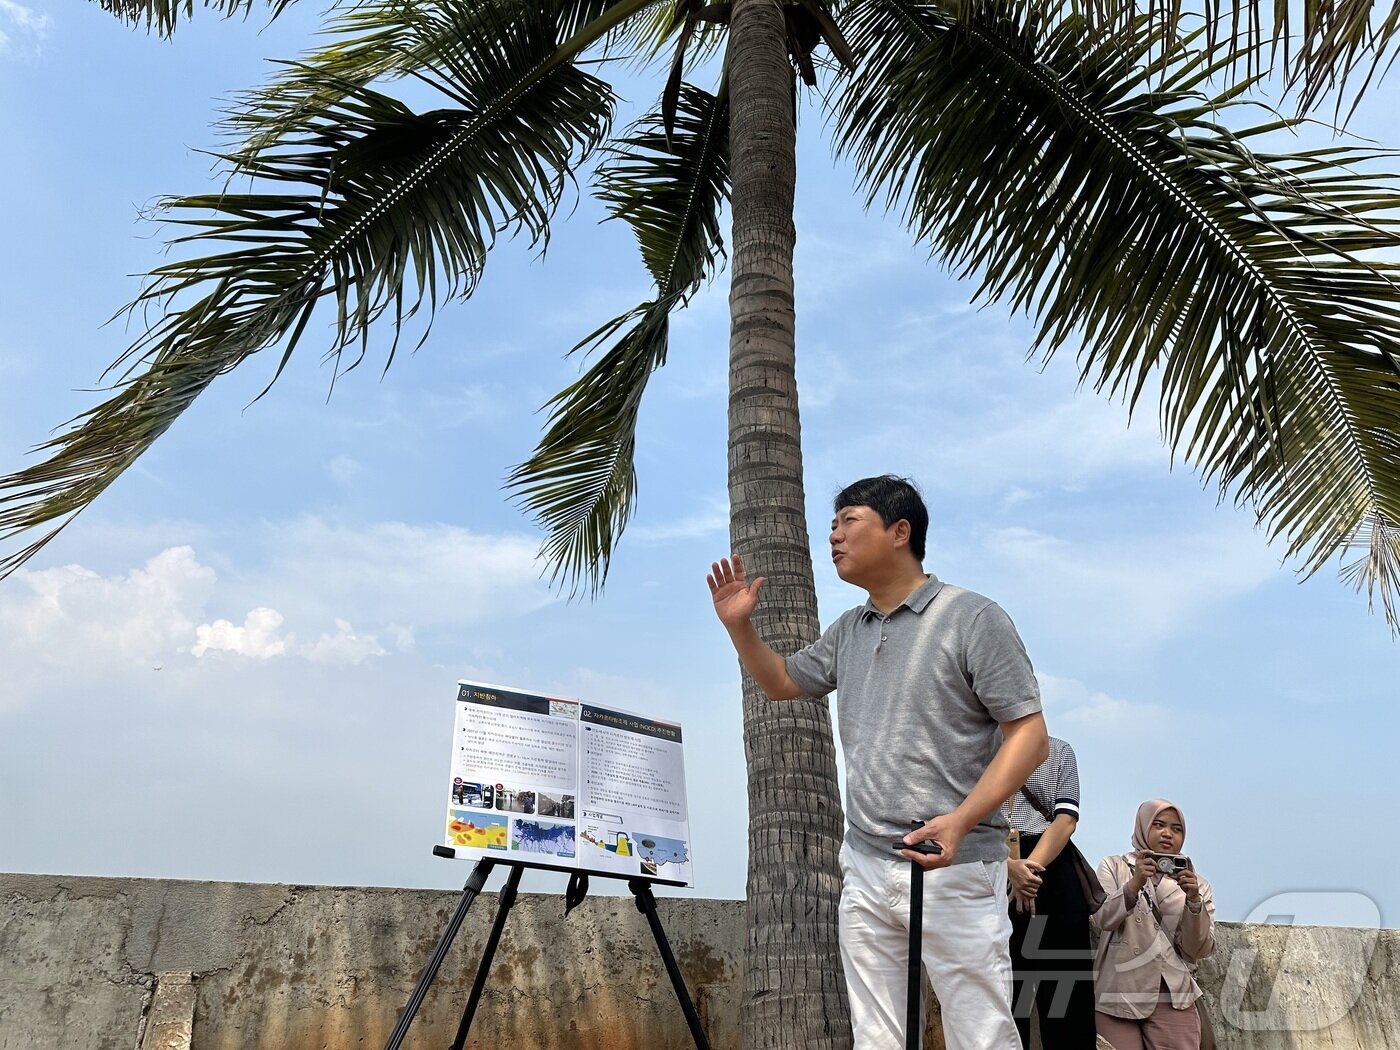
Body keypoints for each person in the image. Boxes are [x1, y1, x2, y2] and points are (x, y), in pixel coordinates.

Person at [707, 474, 1048, 1050]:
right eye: (832, 524)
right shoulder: (849, 630)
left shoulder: (972, 617)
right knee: (878, 1038)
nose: (834, 535)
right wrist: (740, 626)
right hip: (864, 865)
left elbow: (1030, 737)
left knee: (981, 1035)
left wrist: (961, 821)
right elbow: (782, 681)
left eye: (849, 520)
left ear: (900, 531)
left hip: (954, 866)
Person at [1094, 799, 1216, 1050]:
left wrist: (1194, 902)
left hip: (1173, 995)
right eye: (1159, 825)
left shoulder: (1198, 885)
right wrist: (1135, 883)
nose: (1167, 833)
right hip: (1118, 992)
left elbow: (1199, 949)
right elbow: (1102, 918)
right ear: (1143, 826)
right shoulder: (1114, 867)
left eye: (1176, 829)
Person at [1004, 736, 1097, 1048]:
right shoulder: (975, 747)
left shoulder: (1058, 750)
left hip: (1052, 867)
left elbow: (1066, 820)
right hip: (995, 864)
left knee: (1065, 994)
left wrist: (1028, 871)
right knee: (1002, 993)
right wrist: (1008, 866)